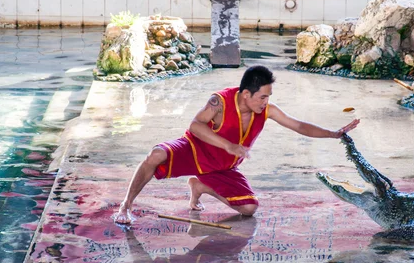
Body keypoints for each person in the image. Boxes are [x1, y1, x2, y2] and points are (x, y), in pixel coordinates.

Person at [114, 65, 360, 224]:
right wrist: (228, 145)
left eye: (268, 97)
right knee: (156, 155)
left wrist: (333, 134)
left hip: (223, 167)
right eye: (262, 96)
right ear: (246, 95)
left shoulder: (267, 111)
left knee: (249, 209)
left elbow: (299, 126)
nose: (266, 102)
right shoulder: (218, 101)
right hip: (195, 151)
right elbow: (195, 126)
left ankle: (200, 186)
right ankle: (126, 206)